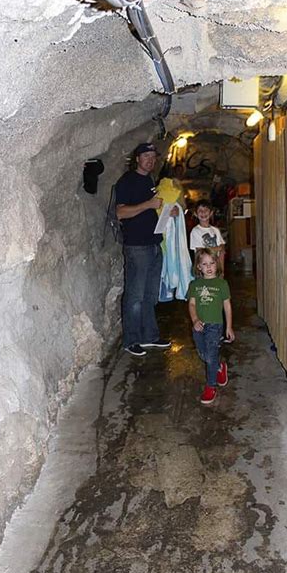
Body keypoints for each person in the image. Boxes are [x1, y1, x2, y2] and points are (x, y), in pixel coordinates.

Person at [115, 142, 175, 357]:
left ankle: (149, 336)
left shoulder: (149, 180)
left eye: (153, 156)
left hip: (153, 244)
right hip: (137, 246)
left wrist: (168, 214)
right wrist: (148, 205)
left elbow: (150, 211)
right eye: (146, 156)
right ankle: (131, 340)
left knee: (150, 294)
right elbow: (121, 213)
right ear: (137, 158)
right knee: (135, 295)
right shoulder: (127, 181)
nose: (150, 160)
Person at [187, 248, 235, 405]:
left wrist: (229, 327)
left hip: (215, 325)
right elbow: (192, 304)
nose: (209, 267)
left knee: (210, 356)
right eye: (204, 264)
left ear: (217, 264)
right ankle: (220, 366)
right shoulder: (195, 284)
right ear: (199, 267)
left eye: (212, 263)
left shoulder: (222, 284)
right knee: (204, 355)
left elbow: (227, 306)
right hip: (199, 325)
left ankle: (211, 386)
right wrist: (194, 320)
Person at [189, 199, 225, 269]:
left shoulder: (216, 230)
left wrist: (222, 269)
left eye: (206, 210)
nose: (203, 213)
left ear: (211, 213)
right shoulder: (195, 231)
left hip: (216, 267)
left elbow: (222, 250)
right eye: (200, 211)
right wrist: (217, 248)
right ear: (196, 214)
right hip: (203, 268)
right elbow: (200, 252)